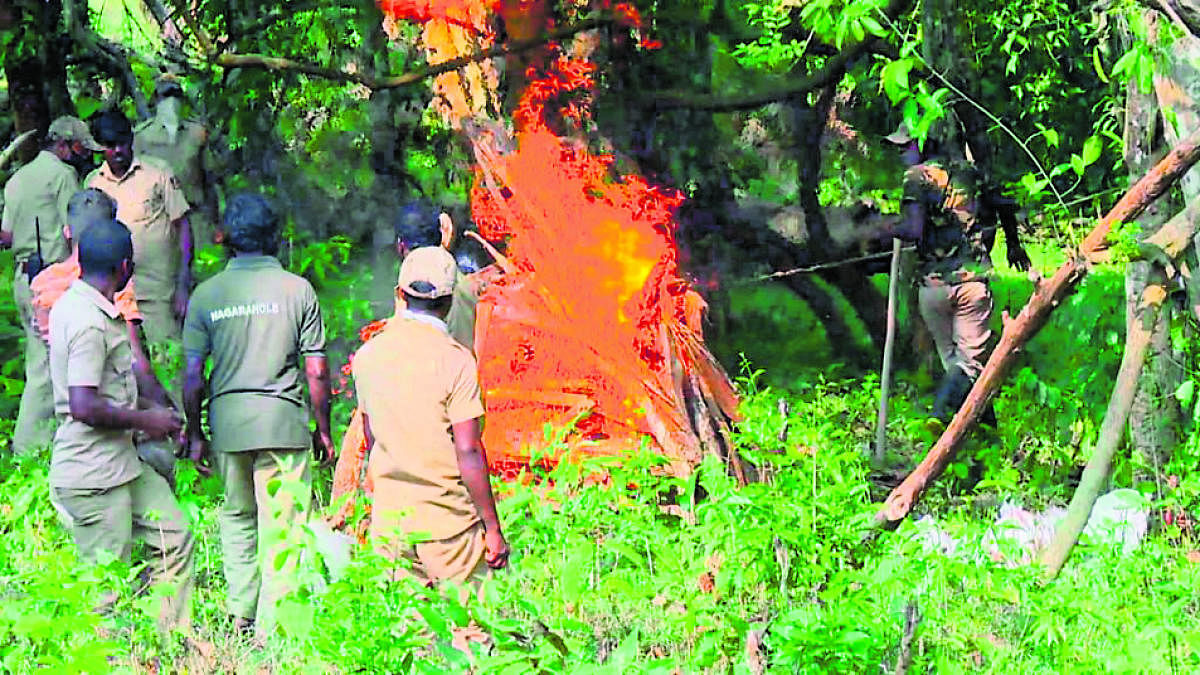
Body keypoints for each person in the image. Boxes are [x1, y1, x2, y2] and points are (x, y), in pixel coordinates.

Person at [182, 192, 332, 638]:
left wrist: (196, 432)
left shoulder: (207, 295)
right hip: (283, 424)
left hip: (229, 426)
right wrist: (322, 430)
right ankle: (276, 629)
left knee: (237, 517)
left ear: (226, 237)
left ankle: (240, 613)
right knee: (284, 524)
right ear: (274, 237)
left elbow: (192, 376)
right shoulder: (297, 290)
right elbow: (317, 369)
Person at [47, 217, 193, 634]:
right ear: (124, 267)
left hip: (122, 463)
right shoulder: (89, 322)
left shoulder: (89, 308)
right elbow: (84, 404)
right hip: (94, 474)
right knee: (105, 588)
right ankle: (111, 660)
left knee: (174, 537)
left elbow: (110, 390)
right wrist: (148, 419)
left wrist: (155, 412)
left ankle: (164, 643)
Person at [353, 246, 509, 587]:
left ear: (400, 295)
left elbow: (372, 437)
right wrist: (492, 527)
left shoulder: (368, 355)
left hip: (390, 522)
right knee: (470, 630)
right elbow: (468, 449)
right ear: (451, 302)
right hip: (447, 524)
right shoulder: (456, 361)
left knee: (407, 634)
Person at [32, 189, 179, 487]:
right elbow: (135, 360)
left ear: (67, 232)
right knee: (155, 462)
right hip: (103, 417)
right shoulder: (110, 284)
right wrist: (163, 411)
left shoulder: (44, 285)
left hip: (56, 403)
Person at [887, 126, 1032, 423]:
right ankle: (985, 429)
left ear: (923, 143)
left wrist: (882, 227)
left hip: (934, 288)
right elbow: (1004, 204)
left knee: (960, 364)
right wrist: (1013, 246)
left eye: (906, 146)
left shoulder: (917, 178)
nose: (902, 154)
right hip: (972, 285)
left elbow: (912, 229)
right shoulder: (971, 172)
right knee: (967, 366)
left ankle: (940, 416)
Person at [2, 116, 103, 454]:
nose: (80, 155)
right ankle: (31, 448)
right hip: (51, 280)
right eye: (78, 148)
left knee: (39, 363)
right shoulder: (63, 176)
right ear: (63, 145)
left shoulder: (17, 179)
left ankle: (38, 444)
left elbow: (7, 237)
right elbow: (75, 227)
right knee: (52, 367)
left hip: (22, 276)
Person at [87, 110, 193, 348]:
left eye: (122, 143)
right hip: (113, 295)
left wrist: (183, 284)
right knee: (122, 366)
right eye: (110, 145)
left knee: (168, 357)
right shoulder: (93, 184)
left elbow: (183, 224)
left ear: (131, 140)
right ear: (100, 147)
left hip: (158, 292)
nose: (118, 151)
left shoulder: (158, 173)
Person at [135, 75, 218, 246]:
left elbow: (209, 181)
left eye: (176, 94)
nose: (171, 100)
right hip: (156, 221)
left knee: (201, 269)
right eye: (166, 94)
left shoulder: (196, 133)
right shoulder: (142, 136)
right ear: (157, 98)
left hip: (195, 219)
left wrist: (216, 222)